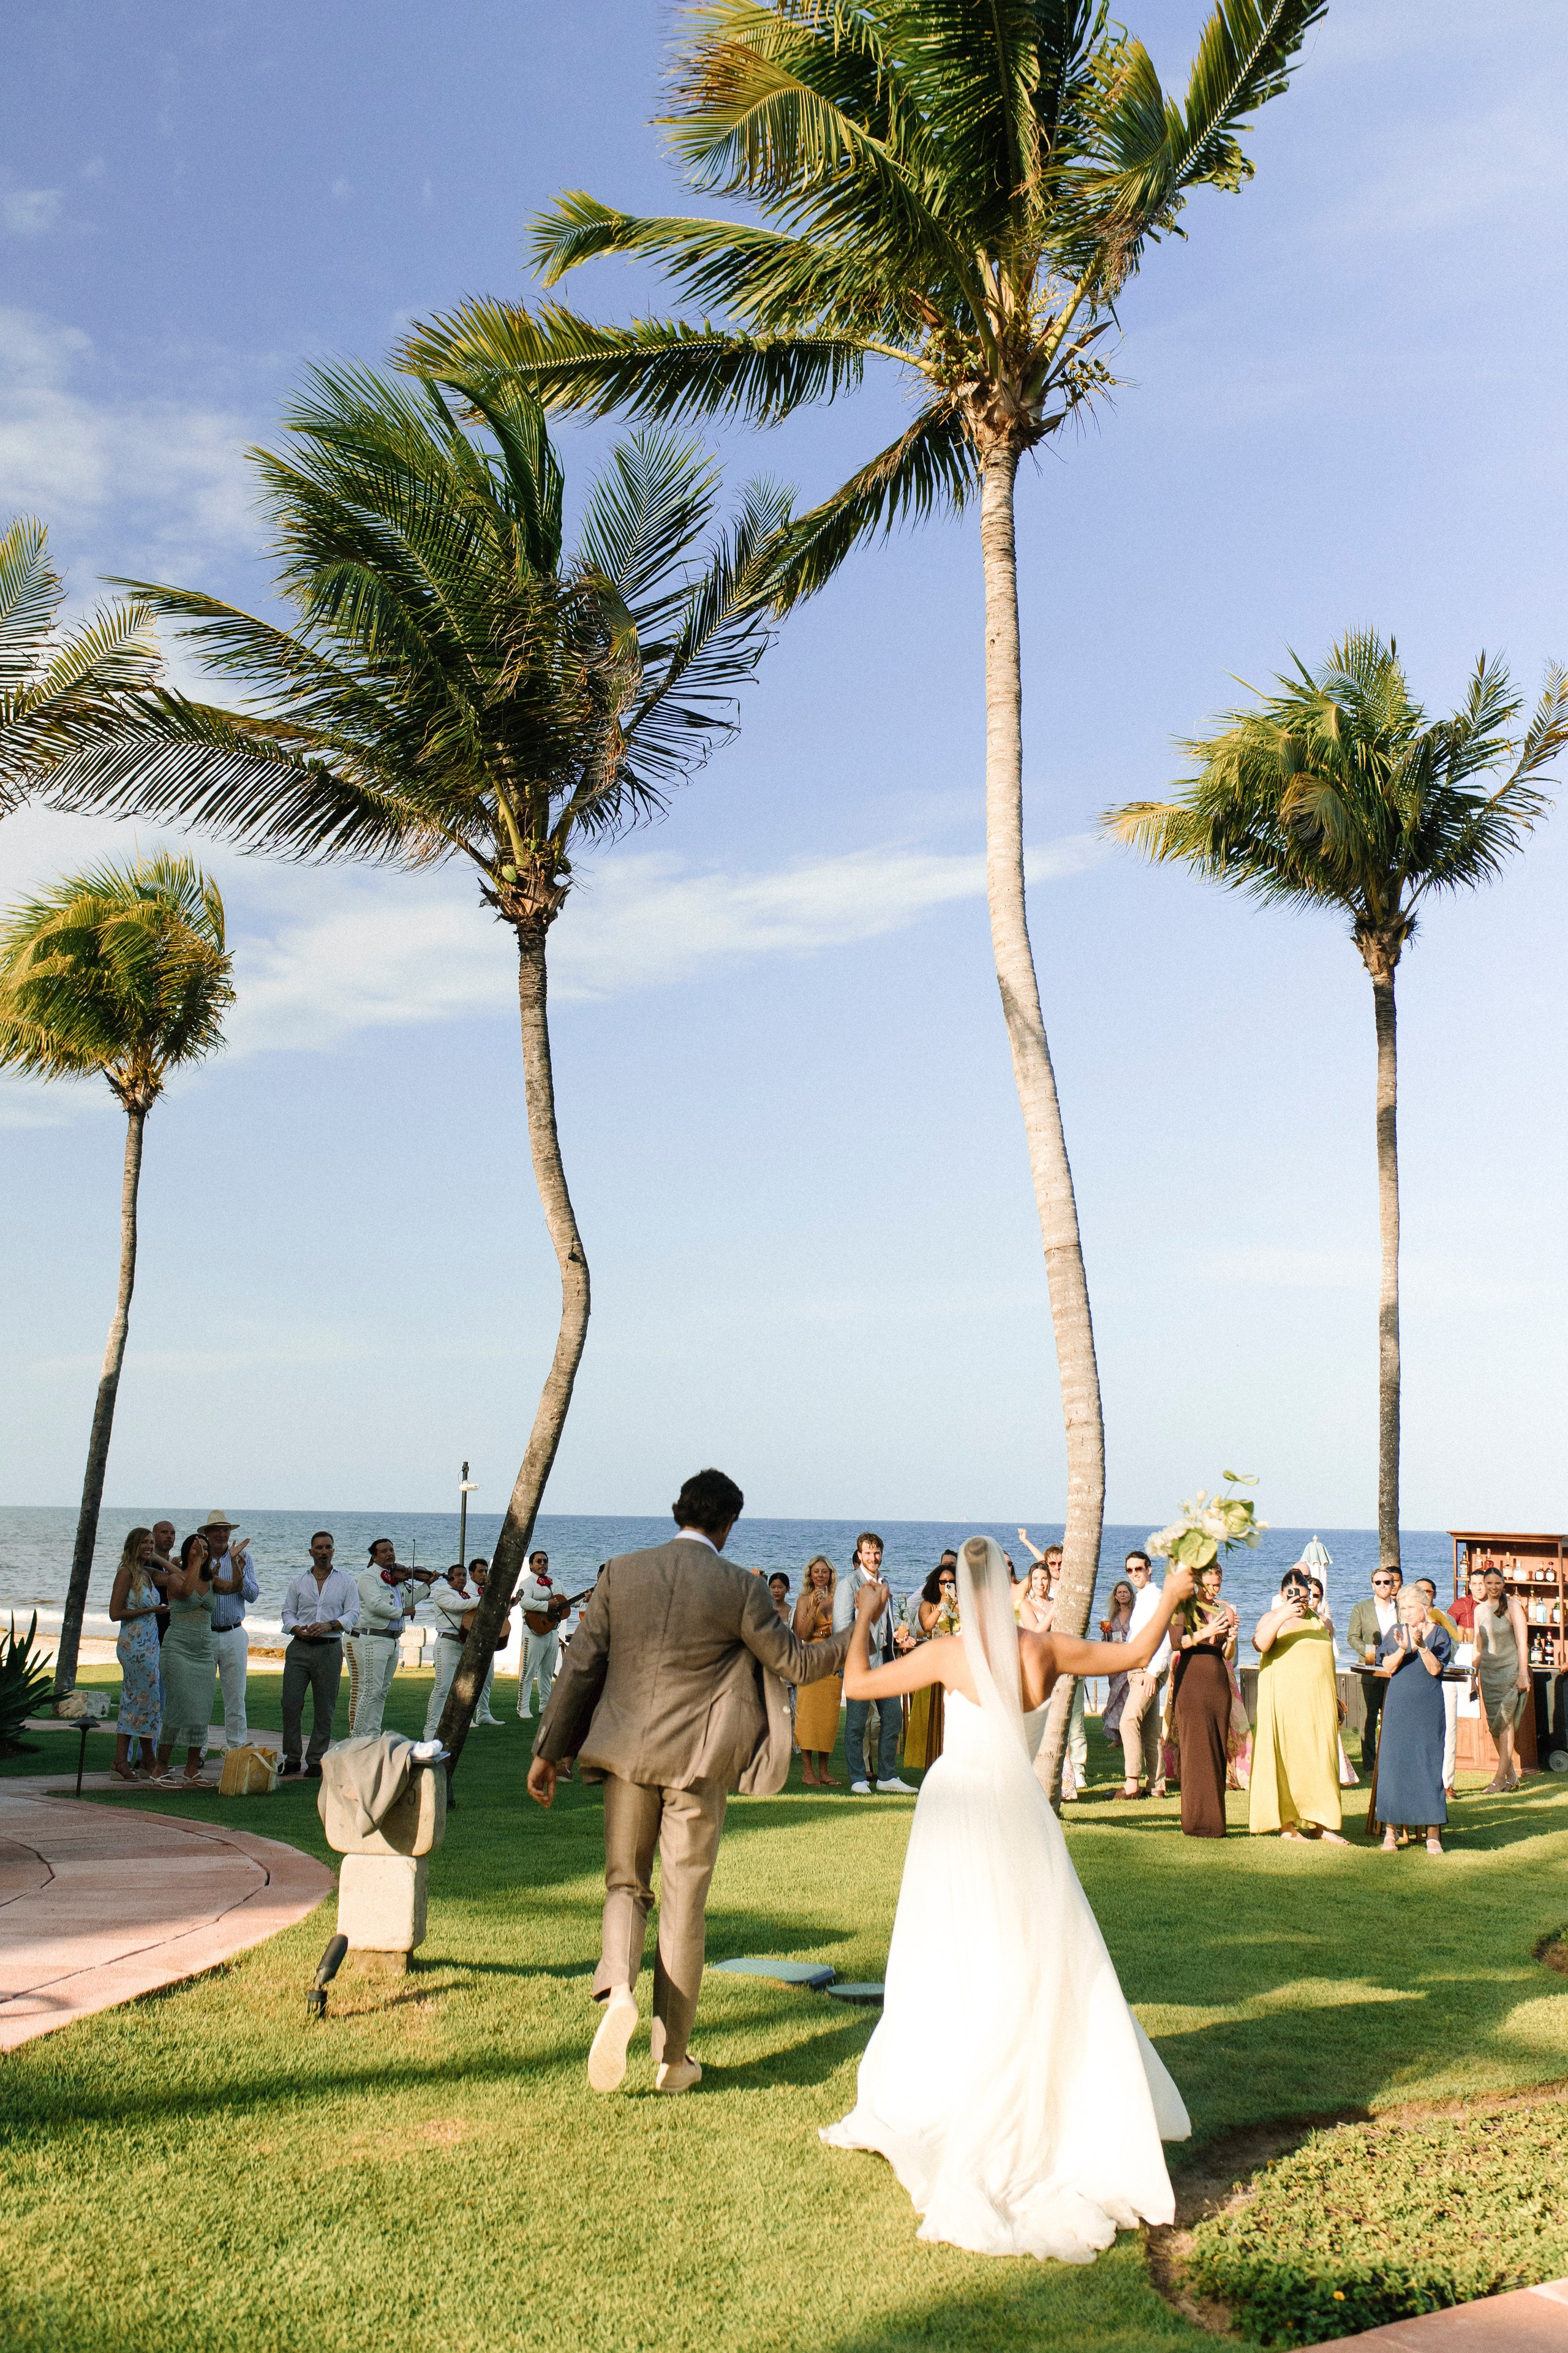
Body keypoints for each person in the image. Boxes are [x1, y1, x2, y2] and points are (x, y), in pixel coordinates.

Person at [820, 1535, 1193, 2259]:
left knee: (950, 1944)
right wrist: (1173, 1597)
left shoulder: (946, 1654)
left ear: (962, 1592)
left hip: (957, 1804)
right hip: (1018, 1807)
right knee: (1031, 1944)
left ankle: (959, 2071)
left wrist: (864, 1615)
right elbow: (1133, 1653)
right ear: (1012, 1587)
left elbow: (857, 1683)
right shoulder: (1044, 1649)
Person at [527, 1467, 853, 2098]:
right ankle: (672, 2059)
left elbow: (581, 1665)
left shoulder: (621, 1572)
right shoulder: (740, 1586)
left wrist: (548, 1750)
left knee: (625, 1884)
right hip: (698, 1767)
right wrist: (854, 1633)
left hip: (626, 1753)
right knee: (683, 1906)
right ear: (727, 1524)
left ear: (678, 1510)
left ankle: (618, 1987)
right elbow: (793, 1662)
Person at [1248, 1569, 1346, 1843]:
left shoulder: (1323, 1623)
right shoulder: (1271, 1619)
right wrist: (1283, 1614)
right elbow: (1260, 1644)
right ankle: (1287, 1825)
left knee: (1321, 1759)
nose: (1300, 1602)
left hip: (1318, 1704)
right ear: (1282, 1595)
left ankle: (1321, 1824)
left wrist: (1335, 1700)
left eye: (1305, 1597)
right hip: (1284, 1703)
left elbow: (1326, 1663)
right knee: (1287, 1760)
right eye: (1293, 1596)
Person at [151, 1532, 243, 1786]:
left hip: (204, 1650)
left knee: (202, 1710)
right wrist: (195, 1564)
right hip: (178, 1648)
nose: (201, 1551)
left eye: (204, 1547)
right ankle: (160, 1767)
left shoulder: (211, 1581)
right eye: (196, 1547)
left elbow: (235, 1587)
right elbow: (186, 1591)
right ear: (186, 1552)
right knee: (178, 1707)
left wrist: (234, 1562)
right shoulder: (175, 1578)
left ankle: (191, 1769)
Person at [832, 1533, 916, 1794]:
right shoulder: (848, 1585)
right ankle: (858, 1778)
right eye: (868, 1553)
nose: (873, 1557)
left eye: (877, 1552)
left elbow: (885, 1625)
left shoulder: (885, 1582)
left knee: (893, 1718)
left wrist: (897, 1638)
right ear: (859, 1555)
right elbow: (842, 1629)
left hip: (886, 1662)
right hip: (860, 1665)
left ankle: (887, 1777)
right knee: (856, 1725)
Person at [1370, 1587, 1450, 1853]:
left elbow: (1435, 1669)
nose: (1406, 1613)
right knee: (1394, 1763)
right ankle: (1390, 1832)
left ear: (1424, 1607)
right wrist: (1404, 1649)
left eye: (1410, 1608)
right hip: (1399, 1704)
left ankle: (1433, 1833)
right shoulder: (1396, 1631)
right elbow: (1388, 1667)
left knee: (1428, 1762)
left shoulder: (1439, 1634)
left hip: (1427, 1705)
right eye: (1402, 1608)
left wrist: (1423, 1647)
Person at [1169, 1560, 1239, 1838]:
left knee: (1217, 1748)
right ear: (1197, 1582)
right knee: (1195, 1750)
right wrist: (1205, 1633)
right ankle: (1196, 1821)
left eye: (1217, 1585)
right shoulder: (1182, 1608)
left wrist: (1231, 1639)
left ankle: (1215, 1821)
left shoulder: (1226, 1610)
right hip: (1191, 1678)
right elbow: (1176, 1643)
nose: (1212, 1589)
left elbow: (1228, 1655)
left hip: (1217, 1681)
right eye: (1208, 1584)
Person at [279, 1532, 358, 1775]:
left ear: (333, 1551)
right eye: (319, 1548)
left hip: (329, 1649)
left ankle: (316, 1760)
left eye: (328, 1547)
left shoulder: (346, 1581)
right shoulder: (298, 1582)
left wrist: (329, 1625)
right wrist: (296, 1629)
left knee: (325, 1707)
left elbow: (353, 1613)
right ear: (311, 1552)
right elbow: (288, 1612)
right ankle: (291, 1757)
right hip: (299, 1648)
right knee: (290, 1703)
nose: (324, 1552)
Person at [199, 1511, 258, 1751]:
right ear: (207, 1534)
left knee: (235, 1698)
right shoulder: (200, 1559)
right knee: (201, 1697)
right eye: (217, 1529)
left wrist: (238, 1569)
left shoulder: (244, 1558)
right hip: (205, 1633)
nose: (222, 1534)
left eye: (226, 1529)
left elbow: (252, 1595)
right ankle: (199, 1749)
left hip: (234, 1633)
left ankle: (237, 1749)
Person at [108, 1527, 163, 1781]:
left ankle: (132, 1759)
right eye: (144, 1543)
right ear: (133, 1545)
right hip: (134, 1646)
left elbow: (179, 1576)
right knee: (140, 1700)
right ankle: (137, 1759)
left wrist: (157, 1557)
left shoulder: (147, 1573)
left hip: (150, 1645)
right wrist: (150, 1610)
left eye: (151, 1542)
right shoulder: (126, 1573)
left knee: (143, 1701)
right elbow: (115, 1613)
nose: (149, 1546)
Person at [350, 1538, 418, 1739]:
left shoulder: (395, 1579)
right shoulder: (368, 1576)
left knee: (382, 1691)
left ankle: (373, 1733)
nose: (389, 1554)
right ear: (374, 1556)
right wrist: (402, 1612)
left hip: (393, 1639)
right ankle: (357, 1735)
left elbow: (409, 1601)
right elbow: (375, 1605)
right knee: (371, 1690)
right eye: (384, 1551)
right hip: (375, 1638)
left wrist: (428, 1584)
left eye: (391, 1550)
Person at [1115, 1552, 1169, 1800]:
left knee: (1128, 1721)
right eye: (1130, 1570)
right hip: (1140, 1667)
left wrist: (1153, 1673)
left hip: (1147, 1669)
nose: (1134, 1574)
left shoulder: (1155, 1597)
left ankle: (1131, 1784)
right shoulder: (1144, 1598)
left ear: (1149, 1569)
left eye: (1139, 1569)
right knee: (1149, 1730)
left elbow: (1165, 1637)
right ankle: (1157, 1785)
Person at [1474, 1566, 1531, 1793]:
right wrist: (1472, 1676)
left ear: (1503, 1584)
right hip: (1488, 1674)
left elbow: (1522, 1643)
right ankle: (1511, 1777)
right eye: (1489, 1583)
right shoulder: (1479, 1610)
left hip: (1509, 1671)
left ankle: (1499, 1780)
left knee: (1505, 1723)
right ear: (1483, 1585)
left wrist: (1523, 1674)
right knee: (1494, 1726)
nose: (1493, 1587)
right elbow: (1479, 1647)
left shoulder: (1513, 1606)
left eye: (1497, 1583)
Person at [902, 1563, 960, 1770]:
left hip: (955, 1666)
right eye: (943, 1582)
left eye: (951, 1582)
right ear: (936, 1584)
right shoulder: (928, 1605)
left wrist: (956, 1603)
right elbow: (927, 1626)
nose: (947, 1585)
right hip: (933, 1665)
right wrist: (942, 1605)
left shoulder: (961, 1604)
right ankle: (927, 1762)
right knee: (929, 1715)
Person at [793, 1556, 842, 1786]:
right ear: (810, 1575)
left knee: (828, 1719)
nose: (821, 1575)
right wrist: (814, 1607)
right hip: (812, 1662)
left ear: (831, 1575)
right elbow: (801, 1634)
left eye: (825, 1571)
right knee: (808, 1718)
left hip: (832, 1663)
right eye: (816, 1571)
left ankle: (824, 1771)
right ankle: (807, 1772)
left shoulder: (839, 1599)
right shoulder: (804, 1600)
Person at [1347, 1567, 1402, 1768]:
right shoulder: (1361, 1608)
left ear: (1393, 1584)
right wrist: (1369, 1651)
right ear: (1373, 1585)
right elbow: (1352, 1637)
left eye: (1387, 1582)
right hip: (1370, 1671)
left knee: (1393, 1719)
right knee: (1368, 1720)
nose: (1383, 1585)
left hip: (1396, 1671)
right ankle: (1370, 1765)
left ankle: (1391, 1762)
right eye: (1378, 1582)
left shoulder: (1401, 1609)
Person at [1414, 1576, 1461, 1801]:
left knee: (1448, 1729)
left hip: (1444, 1676)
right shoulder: (1409, 1617)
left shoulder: (1445, 1618)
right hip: (1416, 1678)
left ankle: (1447, 1782)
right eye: (1420, 1591)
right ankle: (1419, 1780)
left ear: (1434, 1595)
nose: (1425, 1595)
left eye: (1429, 1591)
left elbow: (1456, 1644)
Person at [517, 1549, 565, 1723]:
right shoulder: (527, 1583)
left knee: (547, 1671)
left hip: (552, 1631)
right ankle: (523, 1707)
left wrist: (585, 1599)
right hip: (533, 1632)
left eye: (545, 1561)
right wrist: (547, 1605)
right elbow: (524, 1602)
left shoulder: (556, 1583)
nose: (543, 1564)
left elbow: (566, 1600)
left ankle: (545, 1705)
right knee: (528, 1671)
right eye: (539, 1561)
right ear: (531, 1565)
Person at [467, 1558, 503, 1726]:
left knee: (488, 1677)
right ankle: (468, 1716)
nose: (484, 1575)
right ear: (471, 1573)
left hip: (488, 1637)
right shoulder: (467, 1591)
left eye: (485, 1571)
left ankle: (484, 1713)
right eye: (480, 1571)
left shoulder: (489, 1590)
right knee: (471, 1678)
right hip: (473, 1638)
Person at [1099, 1579, 1136, 1744]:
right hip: (1116, 1663)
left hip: (1132, 1660)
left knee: (1128, 1697)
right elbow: (1105, 1641)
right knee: (1116, 1699)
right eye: (1119, 1592)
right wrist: (1106, 1635)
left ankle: (1130, 1735)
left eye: (1125, 1592)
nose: (1122, 1595)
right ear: (1115, 1596)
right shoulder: (1112, 1617)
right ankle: (1118, 1737)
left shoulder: (1136, 1614)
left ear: (1131, 1595)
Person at [147, 1519, 176, 1644]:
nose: (169, 1536)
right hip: (150, 1626)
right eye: (164, 1532)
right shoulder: (146, 1563)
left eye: (172, 1533)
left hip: (172, 1626)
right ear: (153, 1536)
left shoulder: (174, 1563)